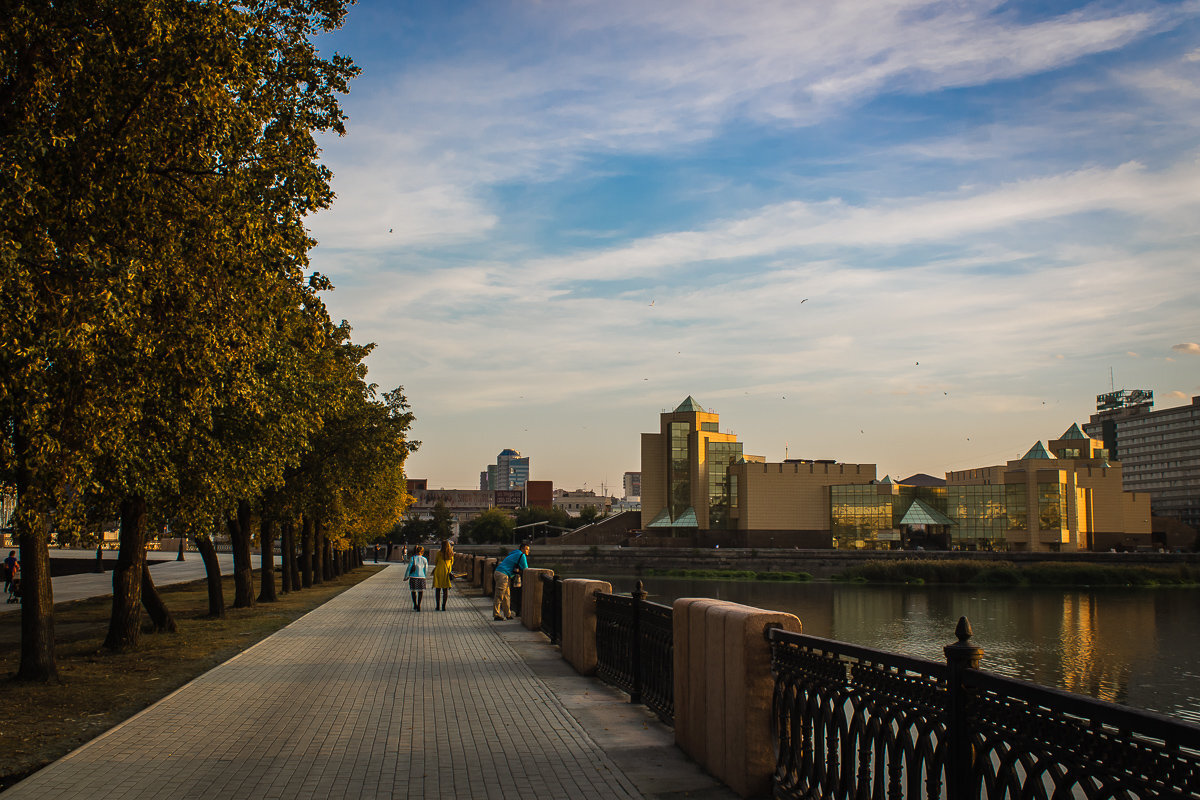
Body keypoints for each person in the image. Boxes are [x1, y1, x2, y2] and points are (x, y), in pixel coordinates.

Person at [492, 542, 529, 621]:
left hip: (499, 572)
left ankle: (507, 614)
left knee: (506, 595)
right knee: (500, 595)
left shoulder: (514, 553)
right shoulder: (522, 555)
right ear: (522, 549)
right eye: (526, 549)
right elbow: (526, 569)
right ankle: (496, 614)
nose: (527, 551)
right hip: (503, 574)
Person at [403, 545, 429, 612]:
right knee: (420, 591)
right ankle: (419, 605)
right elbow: (426, 569)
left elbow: (409, 568)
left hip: (413, 576)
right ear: (422, 552)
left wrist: (406, 576)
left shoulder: (412, 558)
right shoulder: (424, 559)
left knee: (413, 591)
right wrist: (425, 576)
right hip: (421, 577)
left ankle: (415, 604)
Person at [431, 540, 454, 611]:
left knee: (438, 589)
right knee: (445, 590)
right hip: (446, 573)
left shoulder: (439, 553)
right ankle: (444, 606)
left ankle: (437, 606)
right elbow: (452, 563)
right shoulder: (451, 554)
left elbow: (436, 562)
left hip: (438, 572)